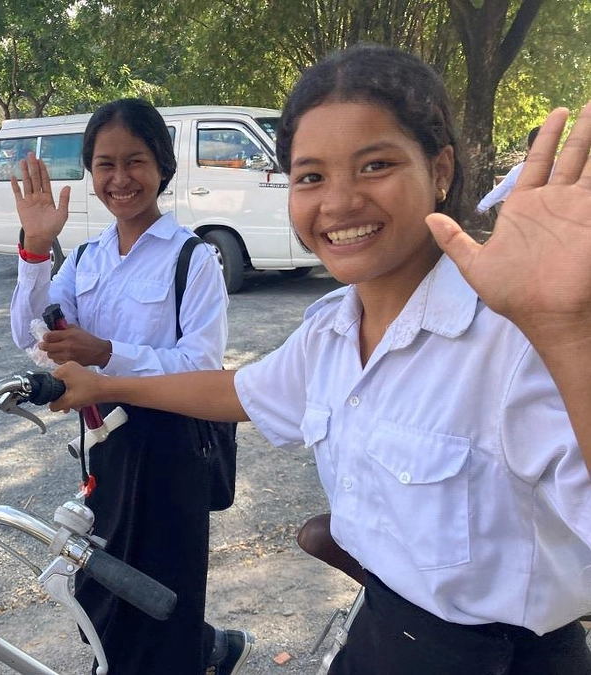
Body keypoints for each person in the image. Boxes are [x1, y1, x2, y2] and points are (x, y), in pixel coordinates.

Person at [49, 44, 591, 675]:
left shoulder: (516, 337)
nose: (337, 203)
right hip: (378, 635)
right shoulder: (333, 330)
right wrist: (102, 386)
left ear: (439, 168)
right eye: (311, 177)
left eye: (375, 165)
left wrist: (569, 335)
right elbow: (240, 392)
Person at [10, 98, 253, 675]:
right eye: (104, 164)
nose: (120, 179)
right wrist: (37, 249)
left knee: (166, 587)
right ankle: (204, 650)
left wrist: (107, 355)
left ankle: (192, 654)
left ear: (162, 167)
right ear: (91, 173)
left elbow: (200, 365)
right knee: (103, 581)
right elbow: (30, 338)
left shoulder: (194, 259)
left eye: (135, 161)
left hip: (171, 448)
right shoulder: (87, 258)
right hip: (105, 443)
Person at [476, 125, 541, 214]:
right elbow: (500, 191)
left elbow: (499, 191)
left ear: (529, 148)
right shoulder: (519, 171)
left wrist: (478, 209)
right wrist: (479, 209)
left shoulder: (519, 171)